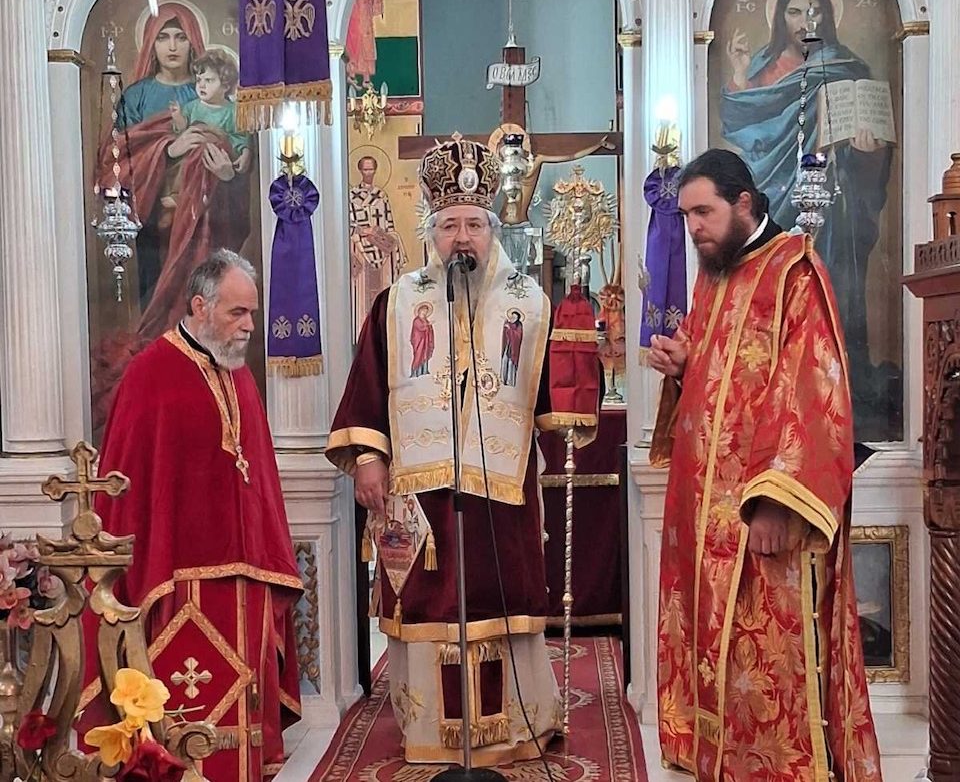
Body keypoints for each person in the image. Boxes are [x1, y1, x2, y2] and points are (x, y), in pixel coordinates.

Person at [327, 135, 596, 765]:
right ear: (432, 232)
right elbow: (367, 386)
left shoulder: (531, 304)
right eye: (450, 226)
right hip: (422, 493)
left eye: (474, 224)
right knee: (432, 601)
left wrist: (576, 382)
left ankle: (516, 727)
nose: (462, 238)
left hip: (503, 490)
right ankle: (431, 732)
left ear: (492, 229)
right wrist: (368, 459)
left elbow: (555, 393)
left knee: (504, 597)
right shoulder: (397, 303)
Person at [649, 149, 882, 782]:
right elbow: (721, 383)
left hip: (762, 512)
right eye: (686, 215)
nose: (694, 227)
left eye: (704, 212)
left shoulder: (794, 272)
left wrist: (776, 503)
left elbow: (811, 387)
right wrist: (683, 367)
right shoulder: (714, 275)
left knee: (771, 657)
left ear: (744, 203)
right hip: (704, 514)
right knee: (713, 644)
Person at [79, 250, 302, 782]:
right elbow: (131, 487)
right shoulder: (149, 374)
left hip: (247, 574)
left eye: (252, 313)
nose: (249, 326)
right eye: (237, 313)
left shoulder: (238, 375)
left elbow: (256, 477)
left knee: (241, 716)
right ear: (200, 306)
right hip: (173, 581)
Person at [720, 0, 896, 438]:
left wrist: (868, 151)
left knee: (835, 289)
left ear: (829, 15)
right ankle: (775, 401)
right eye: (795, 11)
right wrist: (739, 76)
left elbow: (873, 157)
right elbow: (746, 130)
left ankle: (837, 398)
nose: (805, 21)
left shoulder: (848, 68)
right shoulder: (763, 68)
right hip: (776, 199)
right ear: (781, 16)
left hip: (836, 209)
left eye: (814, 11)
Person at [91, 4, 252, 434]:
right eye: (164, 36)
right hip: (151, 227)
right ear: (151, 42)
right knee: (156, 303)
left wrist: (227, 172)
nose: (173, 46)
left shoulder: (217, 102)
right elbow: (114, 162)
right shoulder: (138, 96)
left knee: (202, 300)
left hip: (204, 225)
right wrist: (168, 148)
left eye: (180, 36)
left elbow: (238, 157)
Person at [348, 155, 407, 340]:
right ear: (360, 170)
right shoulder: (351, 196)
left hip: (382, 252)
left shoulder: (381, 196)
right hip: (361, 249)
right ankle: (362, 334)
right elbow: (348, 224)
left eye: (371, 169)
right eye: (365, 169)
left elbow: (389, 223)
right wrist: (362, 230)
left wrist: (385, 236)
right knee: (362, 294)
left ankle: (384, 332)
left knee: (382, 291)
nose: (368, 173)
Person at [169, 48, 251, 173]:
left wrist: (245, 152)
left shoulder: (233, 111)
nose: (201, 85)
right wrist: (178, 118)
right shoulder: (191, 107)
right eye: (199, 80)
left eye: (208, 80)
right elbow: (181, 131)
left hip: (218, 161)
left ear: (225, 86)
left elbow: (240, 138)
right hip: (193, 162)